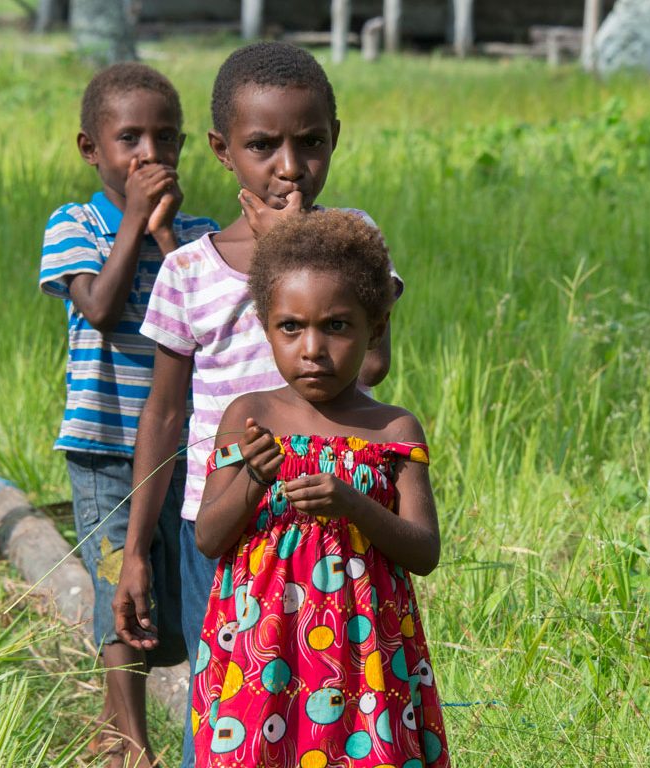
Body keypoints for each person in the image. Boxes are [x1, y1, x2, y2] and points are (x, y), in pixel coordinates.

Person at [118, 42, 398, 766]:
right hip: (224, 523)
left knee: (334, 702)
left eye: (310, 143)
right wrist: (133, 551)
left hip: (336, 519)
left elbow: (373, 362)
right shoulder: (187, 269)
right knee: (227, 704)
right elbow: (164, 415)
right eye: (262, 145)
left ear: (335, 135)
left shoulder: (355, 241)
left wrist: (298, 252)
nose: (290, 167)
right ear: (221, 149)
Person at [190, 210, 447, 767]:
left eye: (336, 326)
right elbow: (209, 538)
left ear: (375, 329)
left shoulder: (394, 431)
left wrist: (353, 504)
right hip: (263, 649)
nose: (312, 347)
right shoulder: (249, 415)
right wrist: (255, 479)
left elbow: (424, 551)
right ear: (266, 326)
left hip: (365, 654)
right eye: (291, 327)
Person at [37, 62, 219, 767]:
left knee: (176, 586)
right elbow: (102, 307)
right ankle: (129, 743)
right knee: (121, 580)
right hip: (106, 445)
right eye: (130, 139)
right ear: (92, 149)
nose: (151, 155)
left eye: (167, 139)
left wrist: (168, 236)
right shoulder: (73, 224)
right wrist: (133, 228)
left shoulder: (198, 235)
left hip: (185, 442)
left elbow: (203, 317)